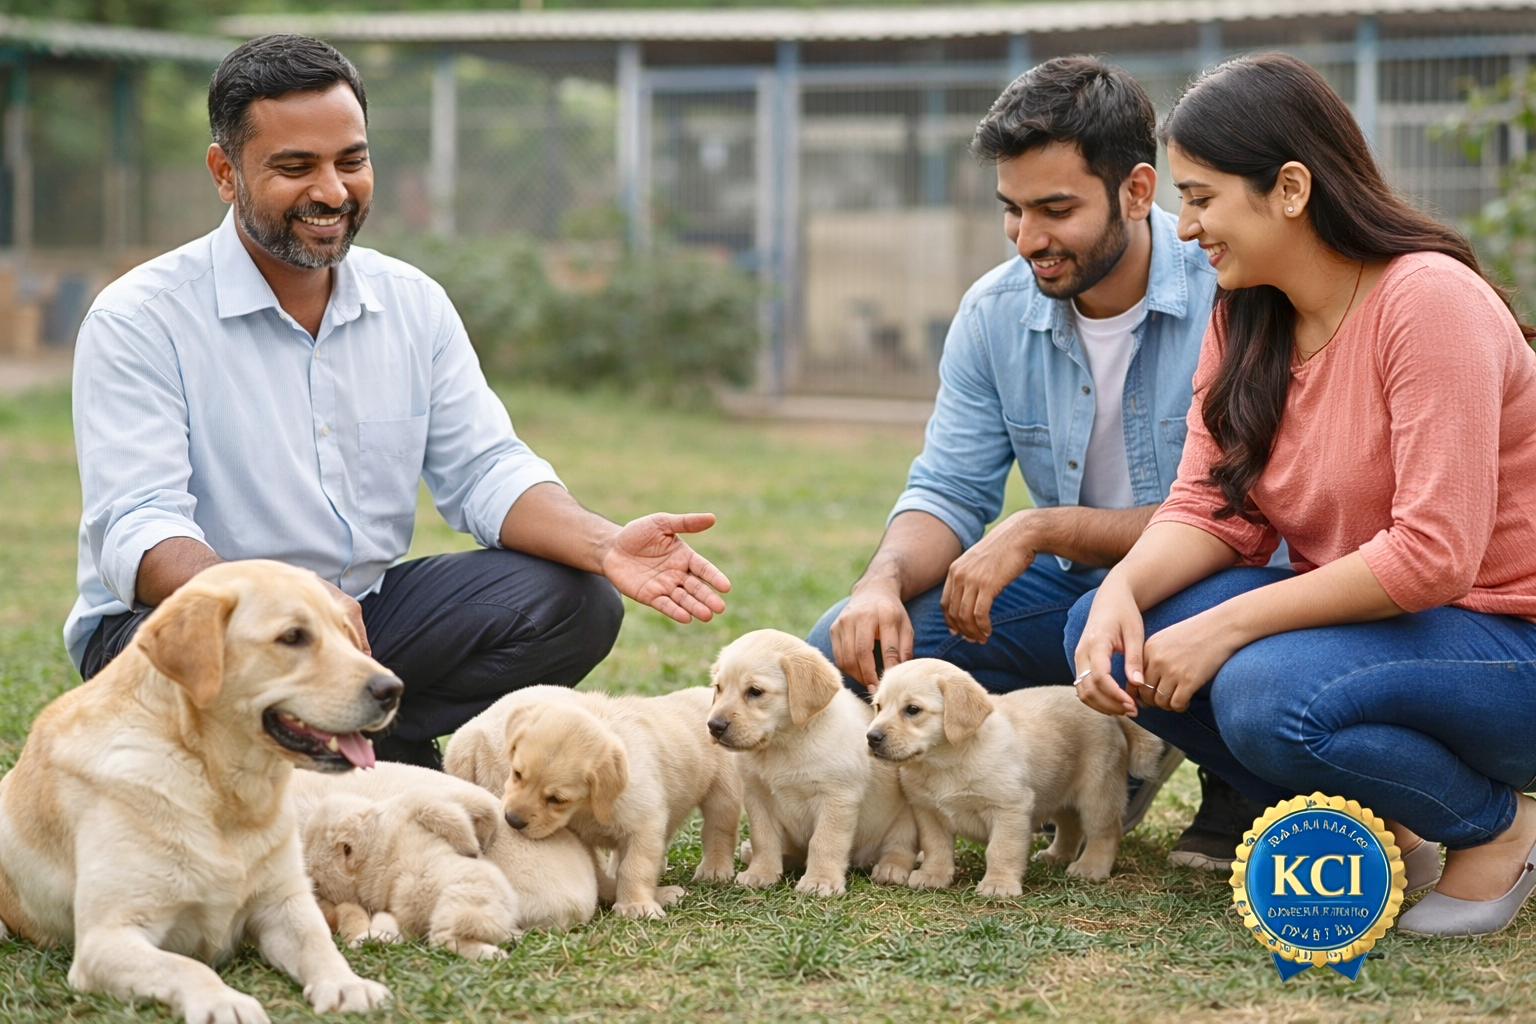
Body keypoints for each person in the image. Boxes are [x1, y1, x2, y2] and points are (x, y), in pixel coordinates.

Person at [65, 34, 731, 769]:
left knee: (575, 600)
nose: (332, 191)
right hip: (185, 627)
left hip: (359, 621)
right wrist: (285, 603)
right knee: (190, 661)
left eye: (351, 161)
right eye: (295, 167)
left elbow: (485, 470)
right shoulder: (140, 318)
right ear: (225, 172)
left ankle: (343, 745)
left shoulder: (412, 303)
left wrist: (606, 545)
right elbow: (140, 523)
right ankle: (353, 754)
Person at [1067, 52, 1536, 937]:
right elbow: (1208, 505)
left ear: (1289, 188)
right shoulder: (1245, 311)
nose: (1183, 226)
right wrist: (1121, 593)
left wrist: (1229, 624)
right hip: (1394, 633)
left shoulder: (1428, 301)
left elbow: (1435, 555)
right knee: (1107, 631)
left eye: (1202, 197)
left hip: (1509, 643)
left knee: (1264, 692)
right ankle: (1394, 816)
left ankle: (1500, 827)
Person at [805, 55, 1264, 867]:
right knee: (857, 647)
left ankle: (1229, 777)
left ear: (1135, 190)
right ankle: (1094, 744)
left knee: (1151, 609)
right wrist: (878, 584)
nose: (1029, 239)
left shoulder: (1229, 293)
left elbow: (1239, 511)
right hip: (1075, 596)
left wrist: (1041, 526)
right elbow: (947, 487)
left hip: (1213, 579)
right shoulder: (993, 313)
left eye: (1055, 209)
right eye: (1012, 211)